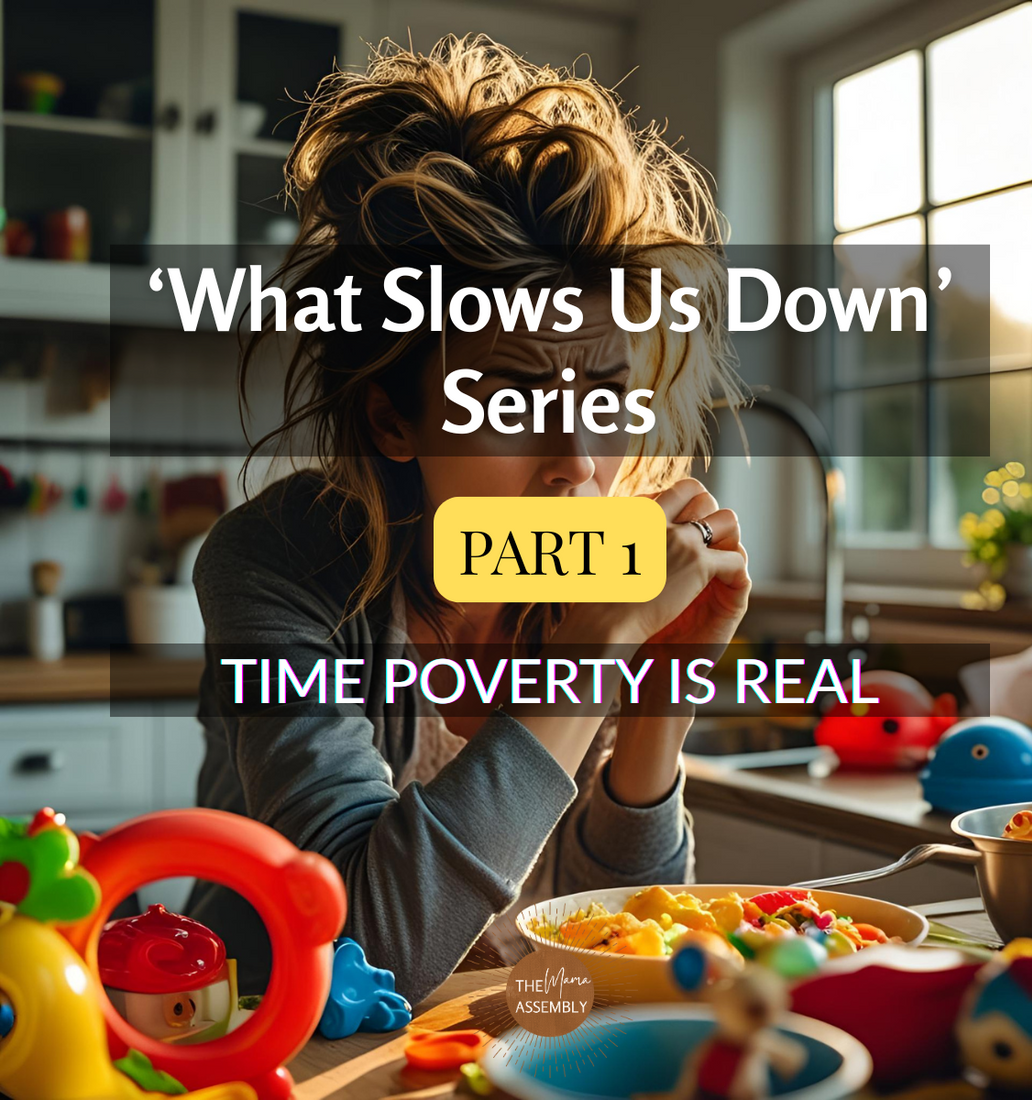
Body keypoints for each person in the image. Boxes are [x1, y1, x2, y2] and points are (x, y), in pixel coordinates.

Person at [189, 34, 751, 1003]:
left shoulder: (594, 561)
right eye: (515, 403)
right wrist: (587, 664)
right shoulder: (277, 561)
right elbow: (366, 947)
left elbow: (618, 937)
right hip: (270, 1039)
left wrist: (659, 693)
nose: (577, 465)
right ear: (392, 418)